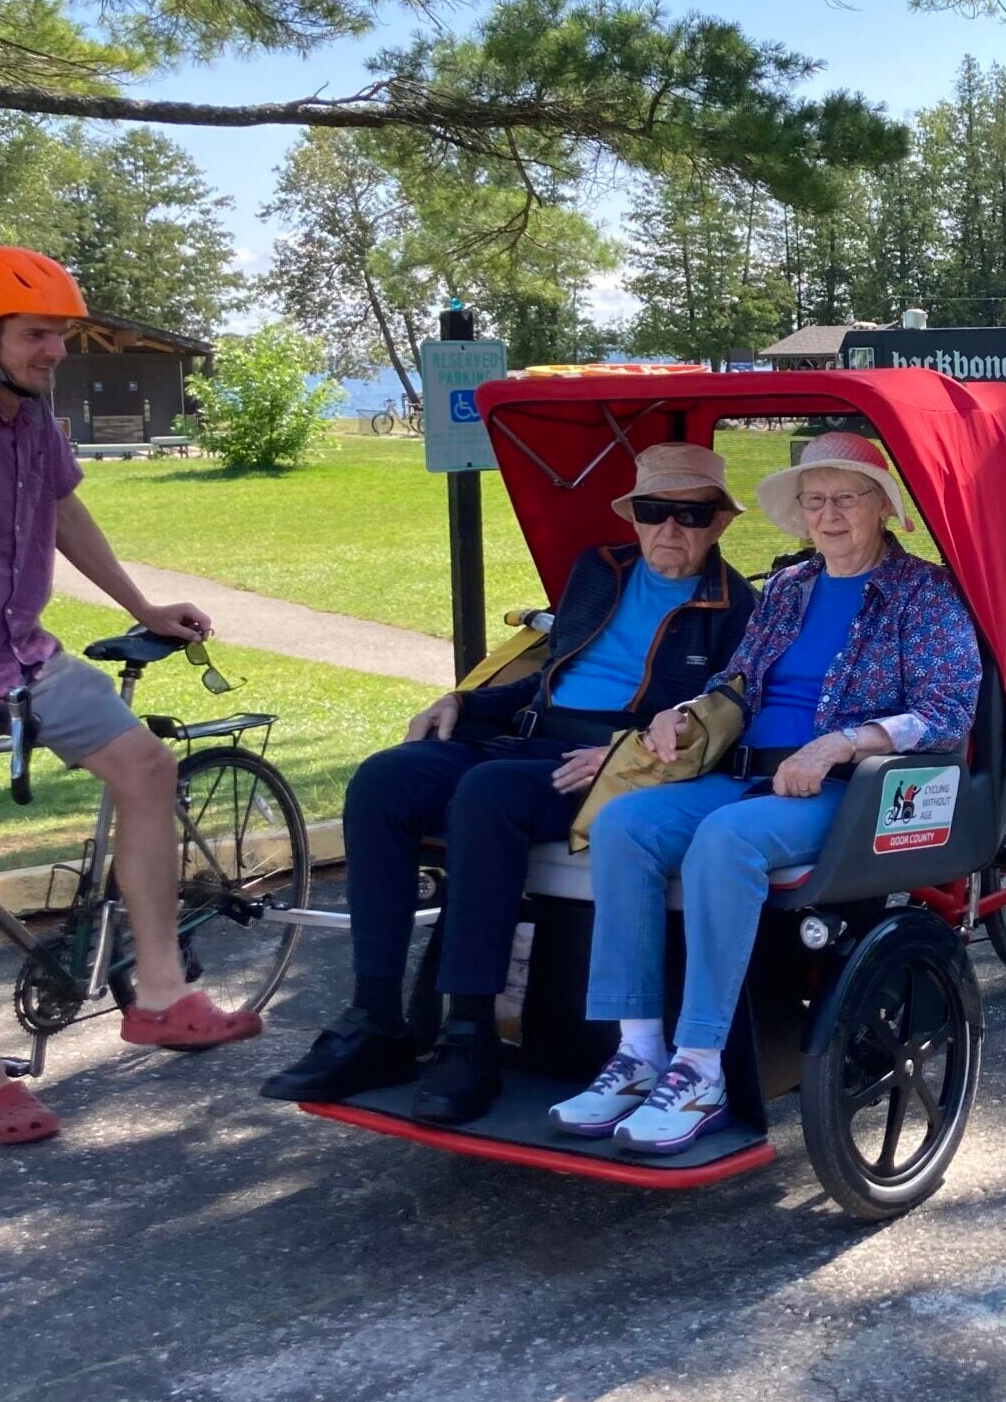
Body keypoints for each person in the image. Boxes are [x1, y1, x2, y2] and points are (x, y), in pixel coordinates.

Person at [0, 247, 261, 1147]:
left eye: (61, 333)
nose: (56, 350)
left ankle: (162, 993)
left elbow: (62, 510)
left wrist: (140, 604)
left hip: (25, 658)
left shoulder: (33, 418)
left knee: (145, 763)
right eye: (37, 334)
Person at [260, 444, 756, 1122]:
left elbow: (716, 720)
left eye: (691, 514)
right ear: (633, 517)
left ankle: (471, 1034)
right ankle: (375, 1020)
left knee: (488, 794)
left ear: (722, 523)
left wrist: (628, 752)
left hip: (613, 765)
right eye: (653, 511)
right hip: (526, 738)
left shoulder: (737, 607)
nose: (670, 529)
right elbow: (548, 676)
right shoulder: (598, 570)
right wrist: (464, 703)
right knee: (384, 780)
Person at [556, 431, 980, 1153]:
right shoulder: (788, 588)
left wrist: (844, 740)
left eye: (846, 497)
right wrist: (687, 711)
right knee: (625, 822)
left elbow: (947, 712)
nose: (830, 514)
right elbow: (740, 682)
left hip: (849, 789)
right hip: (748, 773)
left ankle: (699, 1066)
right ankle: (638, 1052)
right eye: (815, 501)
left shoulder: (923, 593)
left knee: (728, 840)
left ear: (883, 507)